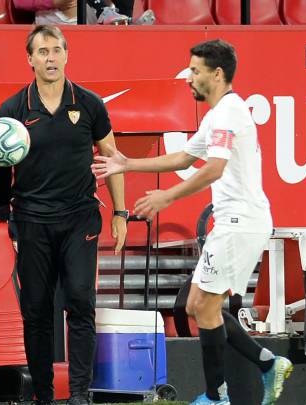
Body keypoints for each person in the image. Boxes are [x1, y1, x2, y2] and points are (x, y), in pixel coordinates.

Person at [92, 39, 293, 405]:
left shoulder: (229, 112)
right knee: (195, 304)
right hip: (235, 222)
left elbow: (214, 168)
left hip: (239, 222)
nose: (189, 78)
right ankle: (266, 363)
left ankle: (218, 397)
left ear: (217, 74)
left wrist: (167, 197)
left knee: (204, 307)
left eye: (196, 71)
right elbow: (185, 158)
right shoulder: (219, 113)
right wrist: (127, 163)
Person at [0, 25, 127, 405]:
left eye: (56, 50)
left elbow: (112, 159)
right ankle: (43, 395)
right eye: (42, 52)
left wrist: (120, 212)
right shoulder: (13, 109)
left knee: (79, 300)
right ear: (30, 60)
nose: (50, 58)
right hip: (31, 223)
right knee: (37, 310)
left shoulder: (89, 103)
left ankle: (79, 395)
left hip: (80, 219)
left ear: (66, 55)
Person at [13, 0, 154, 25]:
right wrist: (54, 2)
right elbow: (18, 2)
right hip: (53, 23)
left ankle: (127, 24)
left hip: (84, 15)